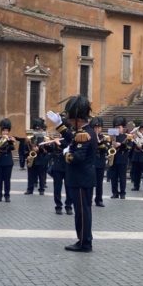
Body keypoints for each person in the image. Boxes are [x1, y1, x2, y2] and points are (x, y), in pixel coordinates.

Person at [47, 96, 96, 252]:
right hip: (83, 178)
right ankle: (85, 238)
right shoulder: (84, 131)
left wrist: (66, 155)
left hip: (81, 179)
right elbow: (72, 138)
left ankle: (84, 243)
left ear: (77, 118)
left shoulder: (85, 134)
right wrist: (59, 125)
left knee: (82, 212)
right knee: (83, 211)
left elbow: (78, 157)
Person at [45, 133, 73, 215]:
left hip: (67, 168)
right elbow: (50, 150)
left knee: (69, 188)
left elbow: (68, 150)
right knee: (57, 188)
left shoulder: (69, 141)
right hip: (57, 168)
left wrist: (59, 144)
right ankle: (58, 206)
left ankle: (68, 206)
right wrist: (47, 144)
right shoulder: (55, 142)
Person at [0, 118, 16, 203]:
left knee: (7, 180)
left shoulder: (10, 139)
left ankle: (7, 195)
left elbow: (12, 148)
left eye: (7, 131)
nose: (5, 132)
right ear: (1, 131)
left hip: (8, 162)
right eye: (3, 131)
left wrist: (9, 141)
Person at [24, 118, 49, 196]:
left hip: (41, 158)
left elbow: (46, 149)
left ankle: (41, 189)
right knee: (30, 175)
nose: (38, 130)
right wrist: (27, 154)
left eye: (39, 128)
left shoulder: (44, 137)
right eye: (36, 128)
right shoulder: (30, 137)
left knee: (41, 175)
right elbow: (25, 148)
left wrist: (39, 148)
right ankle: (29, 189)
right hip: (31, 158)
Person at [109, 116, 130, 199]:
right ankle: (114, 192)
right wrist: (111, 144)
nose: (117, 129)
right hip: (113, 159)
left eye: (119, 127)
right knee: (113, 177)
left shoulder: (126, 136)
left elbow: (129, 147)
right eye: (116, 127)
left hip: (122, 159)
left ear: (123, 128)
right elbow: (107, 146)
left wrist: (121, 145)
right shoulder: (112, 136)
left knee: (122, 177)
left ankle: (122, 193)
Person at [91, 117, 107, 207]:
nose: (97, 129)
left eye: (99, 128)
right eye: (95, 128)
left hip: (100, 162)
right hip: (92, 162)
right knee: (90, 182)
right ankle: (89, 199)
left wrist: (99, 142)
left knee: (99, 183)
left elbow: (105, 148)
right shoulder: (90, 137)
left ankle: (99, 199)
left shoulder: (104, 137)